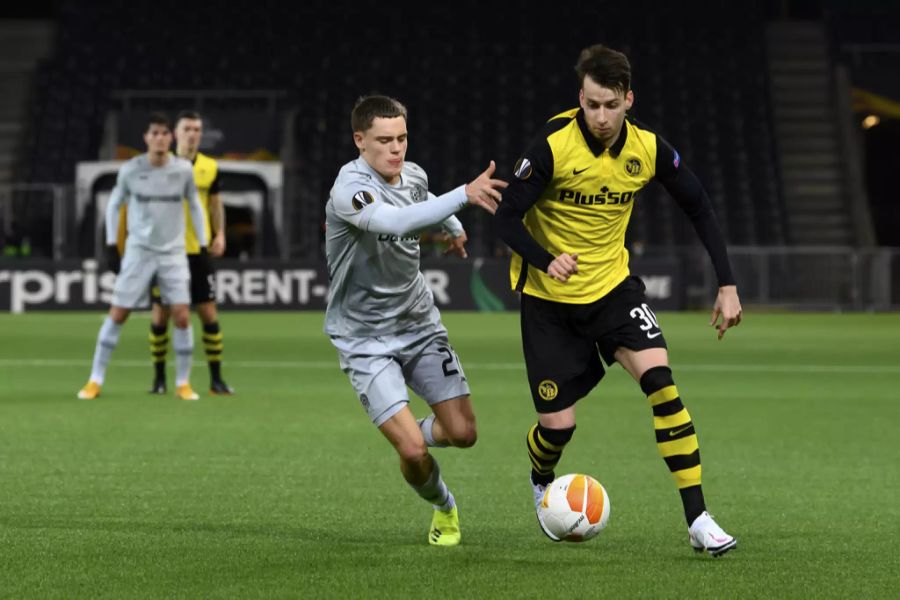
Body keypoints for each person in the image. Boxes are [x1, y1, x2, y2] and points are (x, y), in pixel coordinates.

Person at [493, 44, 743, 556]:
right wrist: (545, 259)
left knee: (663, 386)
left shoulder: (647, 148)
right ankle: (541, 474)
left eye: (610, 104)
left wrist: (727, 283)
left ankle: (698, 519)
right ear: (579, 99)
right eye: (591, 105)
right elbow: (504, 216)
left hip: (613, 290)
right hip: (549, 301)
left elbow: (699, 206)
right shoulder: (551, 145)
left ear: (628, 99)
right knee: (558, 427)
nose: (601, 117)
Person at [324, 95, 506, 546]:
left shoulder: (415, 174)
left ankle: (408, 427)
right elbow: (400, 222)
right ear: (359, 141)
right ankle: (444, 505)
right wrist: (464, 196)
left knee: (464, 433)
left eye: (402, 138)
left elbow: (422, 198)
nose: (396, 149)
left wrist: (455, 231)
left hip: (420, 324)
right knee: (411, 450)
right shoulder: (350, 189)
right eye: (384, 140)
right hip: (364, 338)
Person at [77, 112, 207, 402]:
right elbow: (113, 204)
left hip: (173, 252)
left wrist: (203, 242)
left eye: (164, 133)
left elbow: (195, 205)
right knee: (118, 312)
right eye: (155, 133)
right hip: (139, 251)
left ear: (170, 138)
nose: (160, 138)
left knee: (183, 316)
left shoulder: (183, 170)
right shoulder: (131, 170)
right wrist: (112, 244)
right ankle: (94, 380)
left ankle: (183, 383)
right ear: (146, 137)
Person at [146, 110, 233, 396]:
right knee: (161, 315)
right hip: (166, 251)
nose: (193, 134)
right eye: (187, 129)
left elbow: (215, 204)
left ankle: (216, 380)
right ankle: (159, 380)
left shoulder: (209, 166)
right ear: (176, 134)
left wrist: (219, 234)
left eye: (197, 129)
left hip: (199, 250)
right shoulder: (162, 165)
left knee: (208, 312)